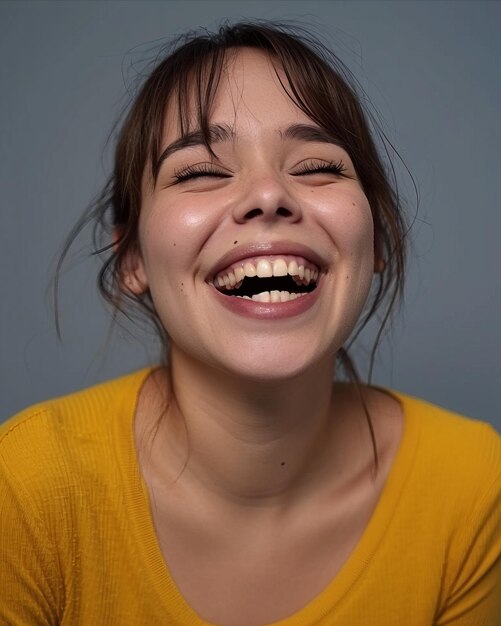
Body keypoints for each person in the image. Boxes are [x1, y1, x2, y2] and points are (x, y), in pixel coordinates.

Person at [1, 21, 500, 626]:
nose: (268, 194)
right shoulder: (24, 487)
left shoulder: (474, 485)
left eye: (317, 166)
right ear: (131, 258)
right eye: (199, 172)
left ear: (378, 242)